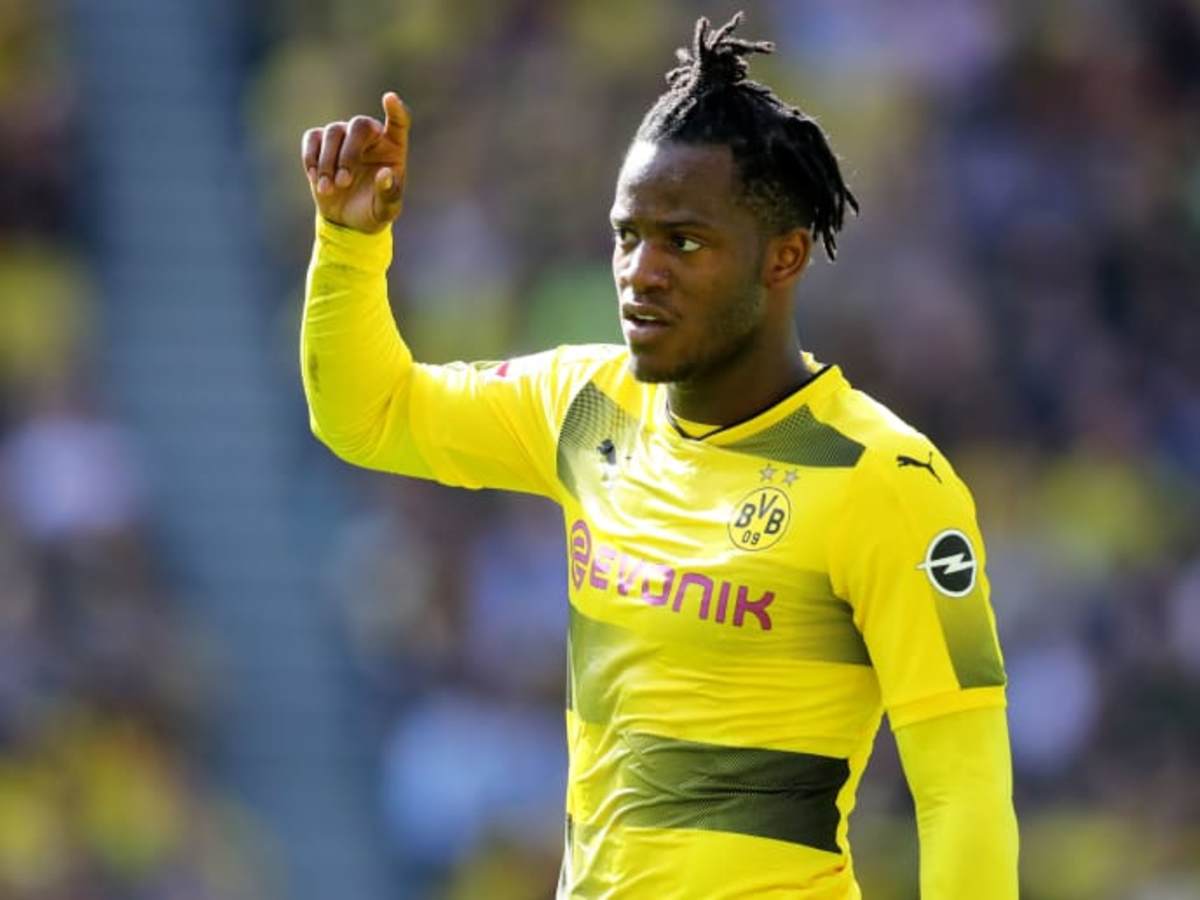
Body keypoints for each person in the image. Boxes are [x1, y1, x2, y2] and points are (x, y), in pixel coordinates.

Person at [299, 12, 1018, 899]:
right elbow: (367, 415)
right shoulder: (585, 406)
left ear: (783, 257)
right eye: (626, 235)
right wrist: (350, 246)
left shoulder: (888, 482)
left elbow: (962, 790)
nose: (640, 271)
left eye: (683, 241)